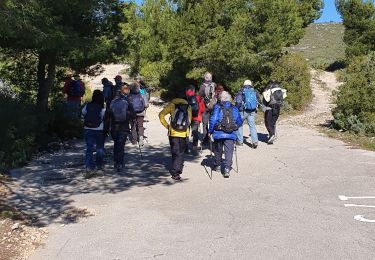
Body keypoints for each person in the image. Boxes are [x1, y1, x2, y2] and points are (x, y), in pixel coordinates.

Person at [209, 91, 243, 178]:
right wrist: (235, 127)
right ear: (229, 99)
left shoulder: (217, 107)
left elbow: (213, 120)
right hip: (230, 133)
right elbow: (239, 121)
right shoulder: (234, 108)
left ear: (221, 99)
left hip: (218, 132)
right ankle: (227, 168)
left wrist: (210, 131)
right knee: (229, 151)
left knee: (217, 150)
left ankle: (217, 165)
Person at [159, 93, 192, 180]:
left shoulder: (172, 105)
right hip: (184, 133)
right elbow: (189, 120)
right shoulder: (188, 107)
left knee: (175, 152)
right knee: (180, 152)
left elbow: (161, 115)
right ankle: (178, 169)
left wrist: (167, 126)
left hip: (173, 133)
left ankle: (175, 172)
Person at [82, 90, 106, 178]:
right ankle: (99, 167)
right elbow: (104, 116)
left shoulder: (87, 105)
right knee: (100, 148)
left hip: (88, 129)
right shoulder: (102, 107)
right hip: (99, 129)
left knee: (89, 149)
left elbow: (83, 113)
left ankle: (88, 167)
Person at [109, 83, 131, 172]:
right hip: (124, 127)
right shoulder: (126, 101)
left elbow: (108, 114)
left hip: (114, 126)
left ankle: (115, 162)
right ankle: (120, 164)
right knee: (121, 146)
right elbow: (131, 113)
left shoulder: (112, 102)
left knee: (116, 145)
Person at [235, 80, 259, 148]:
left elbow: (238, 102)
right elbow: (258, 101)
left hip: (243, 111)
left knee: (239, 125)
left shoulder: (241, 91)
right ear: (250, 84)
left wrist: (236, 109)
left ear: (244, 84)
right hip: (252, 110)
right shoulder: (254, 91)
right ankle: (255, 142)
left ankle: (240, 141)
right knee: (252, 126)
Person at [185, 85, 205, 155]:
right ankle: (194, 149)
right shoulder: (198, 98)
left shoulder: (185, 98)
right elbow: (202, 109)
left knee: (186, 132)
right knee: (195, 133)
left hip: (187, 118)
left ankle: (186, 148)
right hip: (196, 118)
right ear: (193, 90)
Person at [199, 72, 217, 144]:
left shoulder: (202, 87)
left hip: (205, 107)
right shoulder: (214, 85)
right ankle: (215, 138)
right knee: (214, 121)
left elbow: (200, 96)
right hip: (214, 106)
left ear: (205, 78)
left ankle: (206, 138)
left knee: (205, 123)